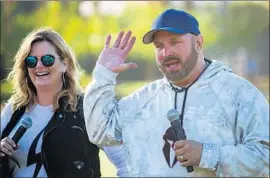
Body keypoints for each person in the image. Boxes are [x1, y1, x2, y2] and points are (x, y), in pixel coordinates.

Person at [83, 8, 269, 177]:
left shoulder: (239, 94)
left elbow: (265, 157)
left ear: (198, 43)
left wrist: (208, 155)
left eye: (175, 42)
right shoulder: (143, 100)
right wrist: (104, 74)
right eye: (159, 46)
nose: (166, 52)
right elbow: (100, 132)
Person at [0, 27, 128, 178]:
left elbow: (125, 161)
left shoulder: (85, 109)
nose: (39, 65)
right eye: (31, 60)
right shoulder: (13, 110)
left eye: (47, 59)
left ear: (64, 64)